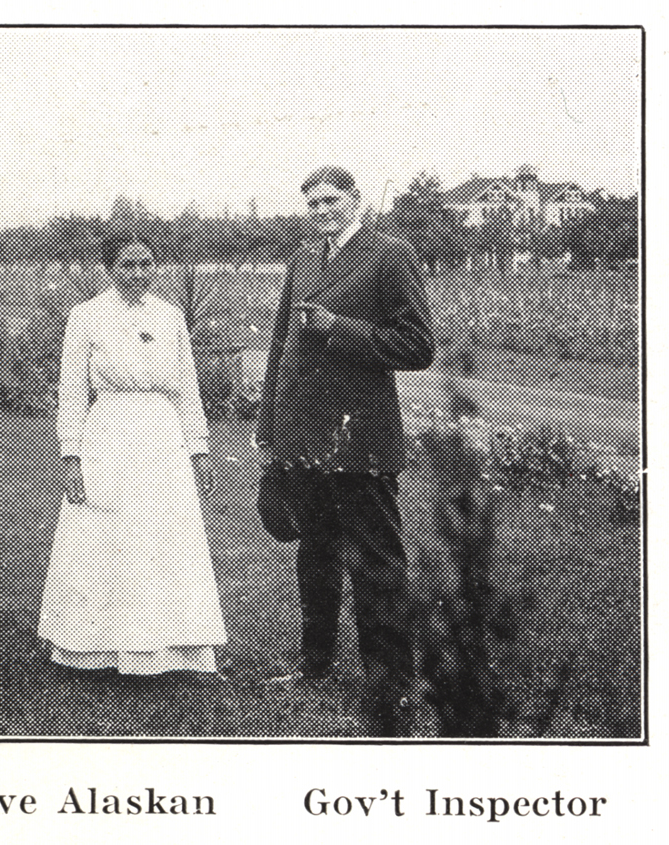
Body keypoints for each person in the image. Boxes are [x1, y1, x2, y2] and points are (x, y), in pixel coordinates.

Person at [255, 166, 434, 735]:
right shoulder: (304, 259)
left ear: (356, 200)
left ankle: (393, 682)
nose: (321, 211)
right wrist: (271, 428)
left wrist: (339, 327)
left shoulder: (389, 254)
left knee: (378, 562)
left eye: (331, 201)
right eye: (312, 204)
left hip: (361, 438)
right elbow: (283, 350)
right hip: (305, 437)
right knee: (314, 555)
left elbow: (418, 346)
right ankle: (316, 665)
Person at [38, 236, 227, 676]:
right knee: (104, 535)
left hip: (162, 441)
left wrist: (198, 451)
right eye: (128, 265)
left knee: (163, 538)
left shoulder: (171, 316)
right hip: (108, 437)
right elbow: (71, 393)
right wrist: (72, 456)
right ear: (110, 268)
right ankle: (94, 646)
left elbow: (188, 390)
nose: (138, 273)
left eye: (146, 264)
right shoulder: (86, 317)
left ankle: (173, 649)